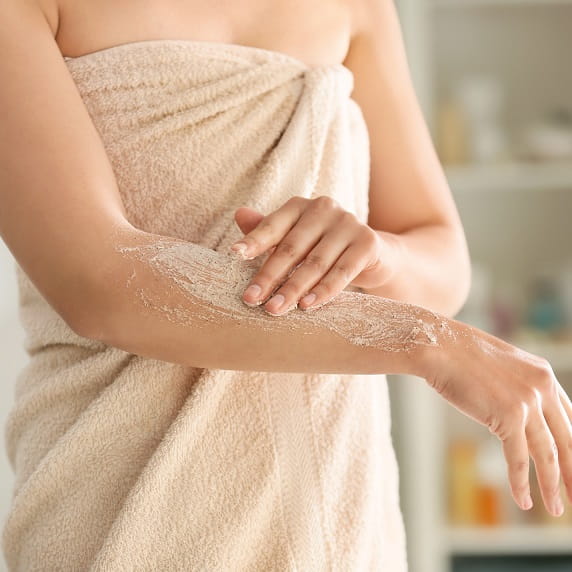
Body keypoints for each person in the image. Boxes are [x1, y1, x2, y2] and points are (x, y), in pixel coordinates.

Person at [1, 0, 570, 570]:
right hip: (122, 504)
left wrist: (375, 256)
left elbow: (443, 262)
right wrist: (426, 342)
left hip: (337, 514)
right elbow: (98, 286)